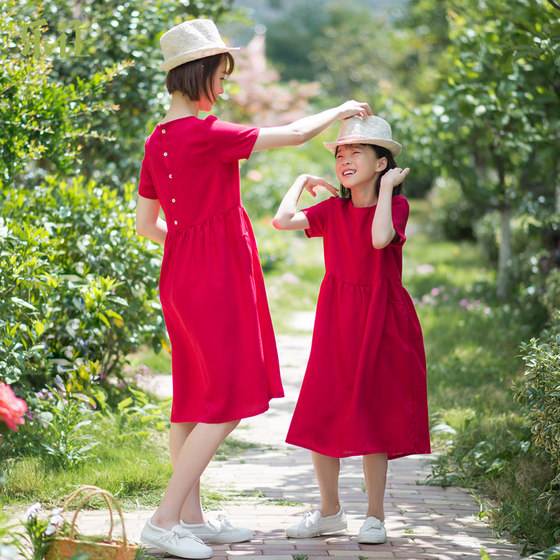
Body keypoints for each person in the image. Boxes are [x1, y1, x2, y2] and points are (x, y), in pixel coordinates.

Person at [135, 18, 372, 559]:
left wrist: (191, 241)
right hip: (214, 275)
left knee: (192, 400)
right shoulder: (206, 133)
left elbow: (147, 226)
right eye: (221, 73)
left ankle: (190, 519)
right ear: (198, 74)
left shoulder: (159, 142)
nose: (224, 85)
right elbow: (290, 135)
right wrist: (338, 112)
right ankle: (165, 518)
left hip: (179, 274)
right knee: (227, 399)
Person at [272, 115, 431, 544]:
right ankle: (329, 512)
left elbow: (380, 239)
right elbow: (282, 220)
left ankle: (375, 516)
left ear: (381, 164)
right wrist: (303, 178)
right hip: (337, 317)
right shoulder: (332, 211)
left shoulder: (394, 206)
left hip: (381, 315)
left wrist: (383, 192)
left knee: (372, 412)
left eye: (356, 151)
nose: (345, 159)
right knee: (323, 408)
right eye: (340, 153)